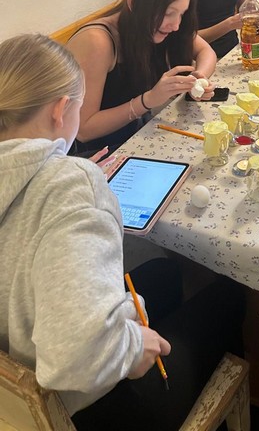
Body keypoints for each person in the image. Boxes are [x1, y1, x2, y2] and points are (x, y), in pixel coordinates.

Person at [0, 34, 244, 431]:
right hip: (77, 408)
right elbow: (73, 357)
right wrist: (132, 347)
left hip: (11, 402)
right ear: (60, 110)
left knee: (164, 274)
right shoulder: (70, 183)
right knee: (229, 295)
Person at [67, 0, 217, 155]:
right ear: (134, 2)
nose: (176, 25)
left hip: (135, 136)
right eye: (169, 13)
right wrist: (147, 101)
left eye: (181, 14)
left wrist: (198, 78)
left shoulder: (161, 27)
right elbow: (83, 130)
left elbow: (206, 52)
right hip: (92, 154)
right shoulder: (97, 41)